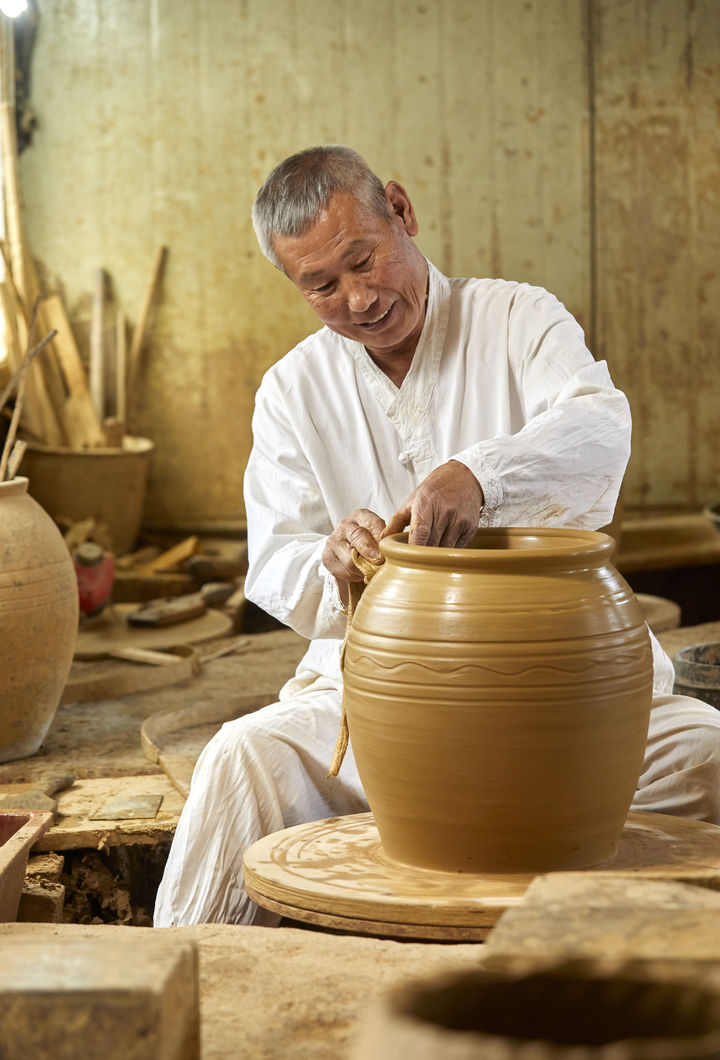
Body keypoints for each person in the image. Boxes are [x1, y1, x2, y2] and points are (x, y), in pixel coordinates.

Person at [154, 146, 720, 928]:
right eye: (322, 285)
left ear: (402, 212)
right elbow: (274, 557)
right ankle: (185, 1000)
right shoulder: (292, 389)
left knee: (709, 757)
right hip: (382, 704)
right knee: (242, 759)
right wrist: (332, 561)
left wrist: (482, 476)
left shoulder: (520, 319)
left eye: (363, 260)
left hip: (565, 692)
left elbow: (599, 427)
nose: (358, 298)